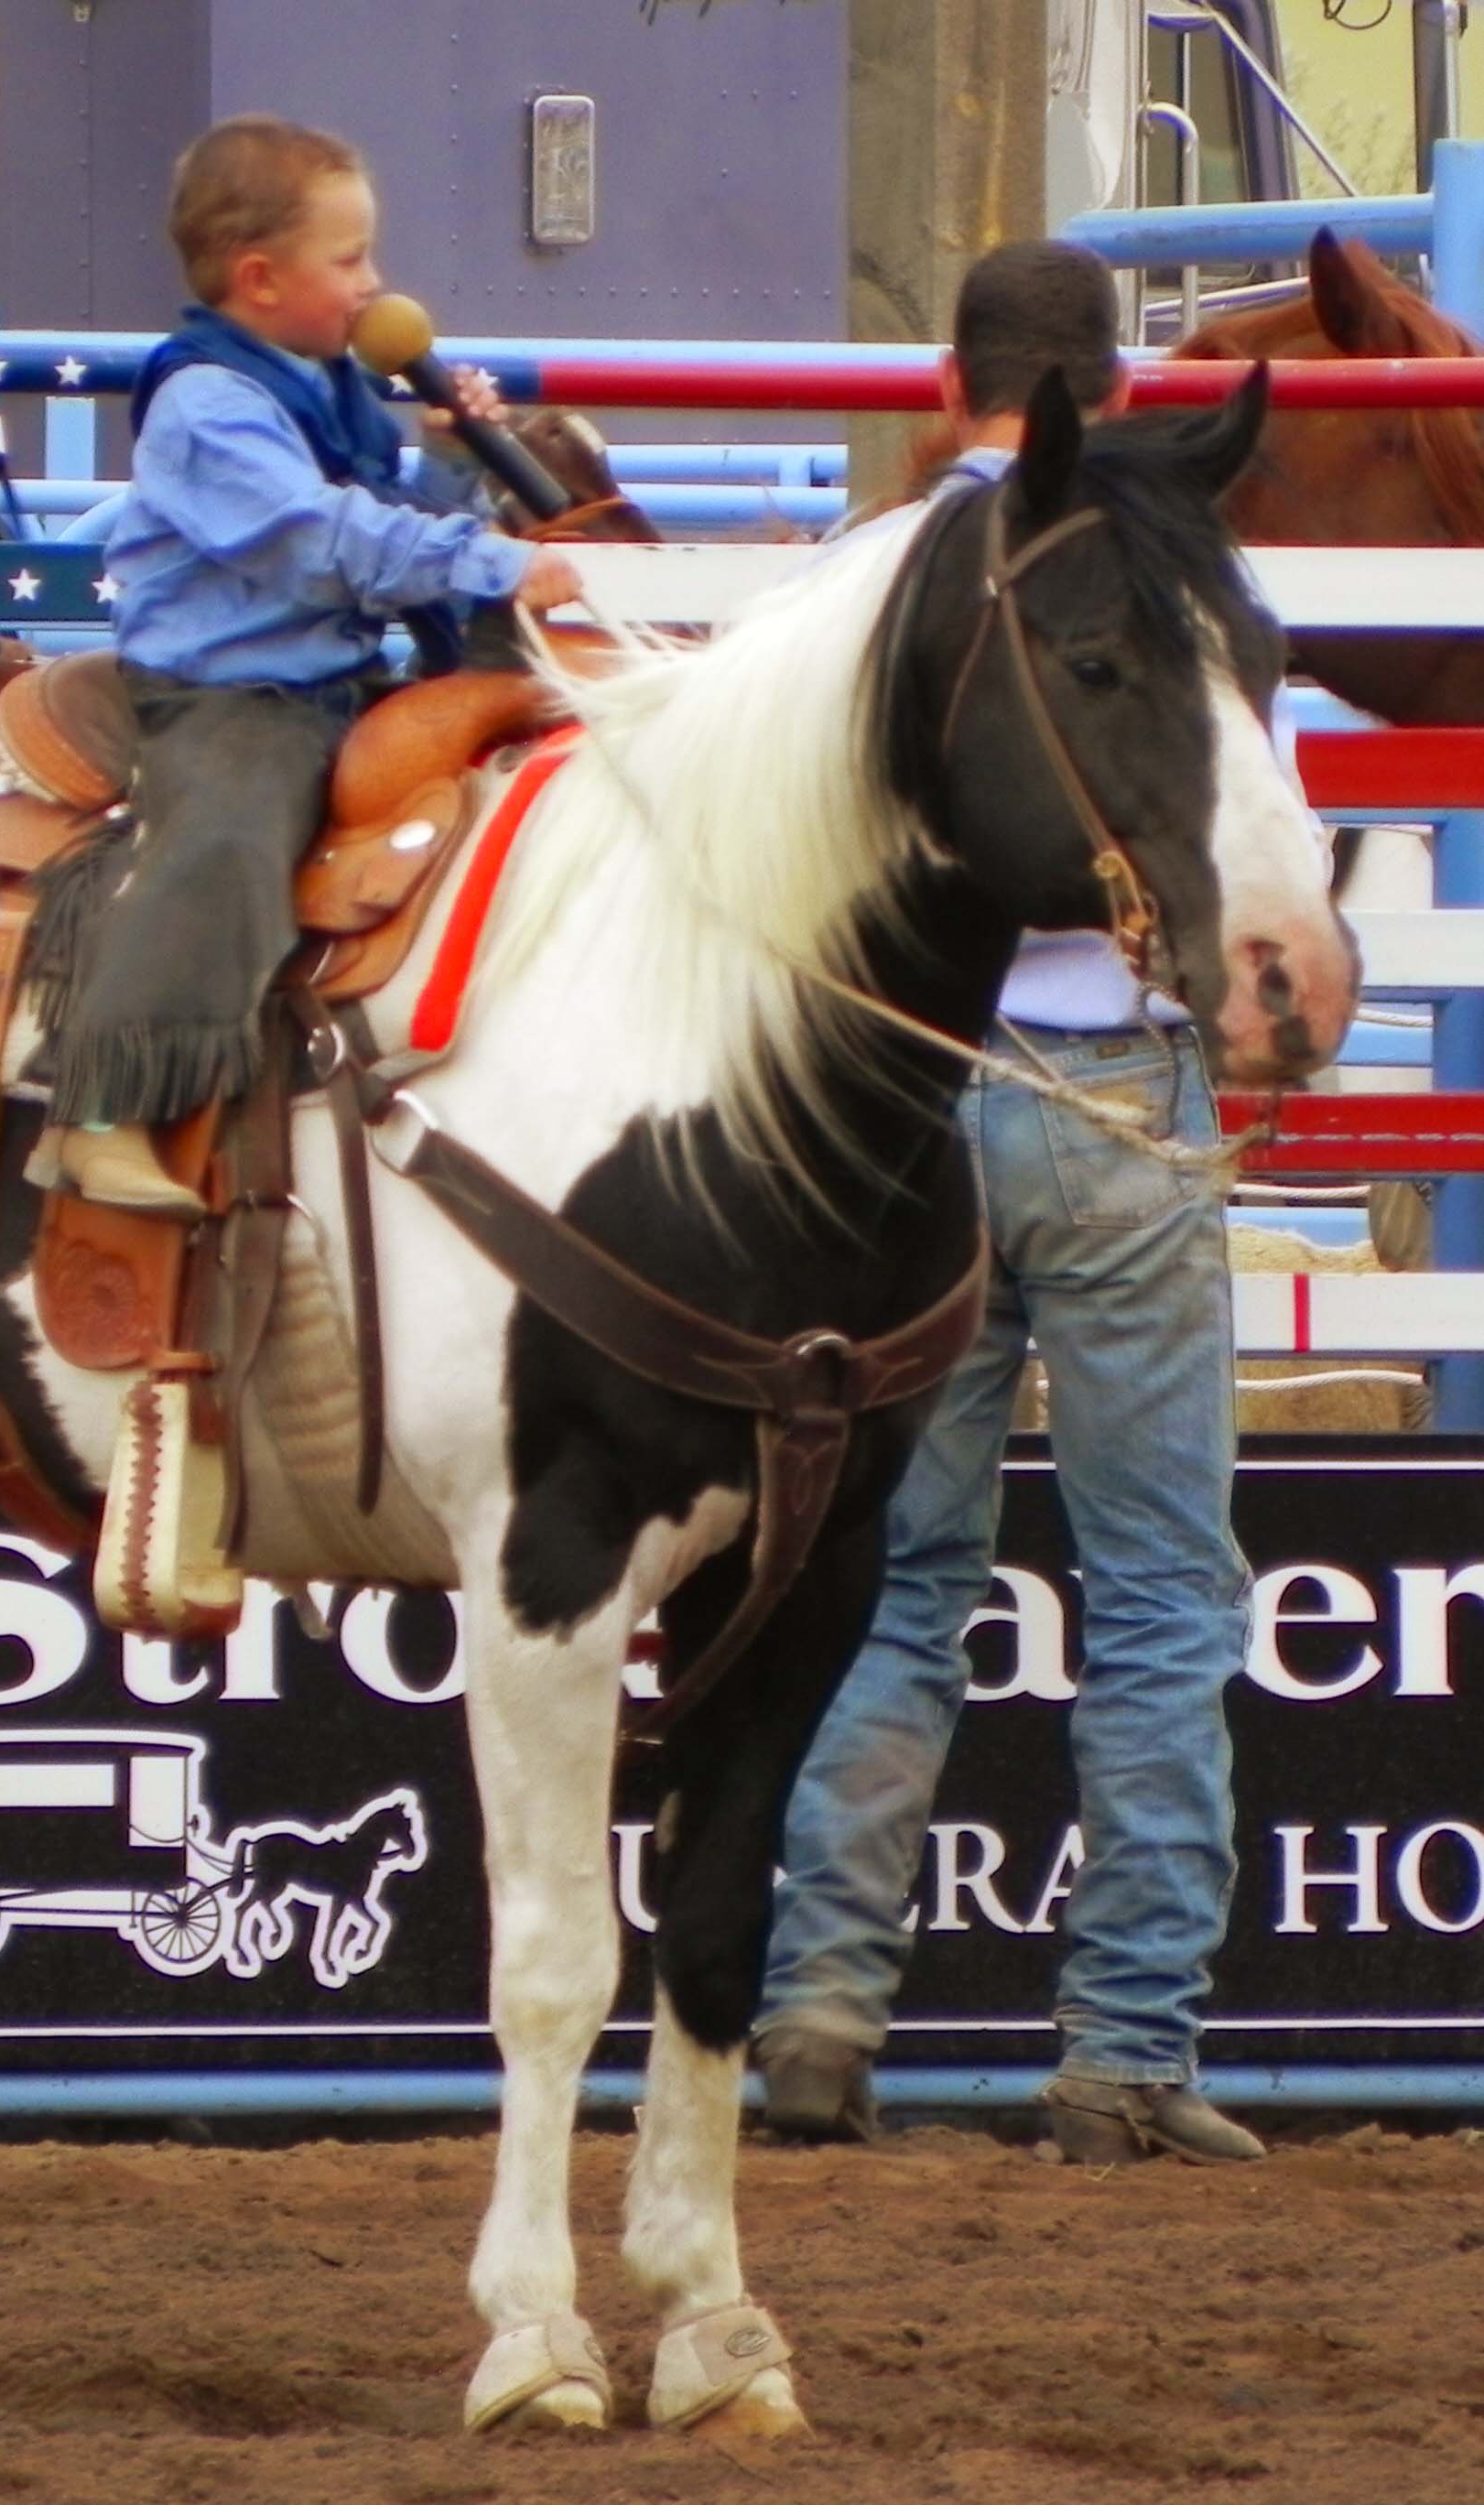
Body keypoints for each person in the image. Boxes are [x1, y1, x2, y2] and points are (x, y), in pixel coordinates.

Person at [751, 238, 1284, 2169]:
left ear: (950, 380)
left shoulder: (862, 579)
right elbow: (1234, 850)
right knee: (1157, 1596)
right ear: (1112, 385)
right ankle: (1124, 2052)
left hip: (909, 1106)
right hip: (1122, 1098)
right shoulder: (1161, 578)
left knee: (895, 1583)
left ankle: (821, 2012)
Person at [37, 114, 580, 1216]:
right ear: (259, 279)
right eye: (351, 261)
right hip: (228, 697)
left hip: (332, 681)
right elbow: (315, 539)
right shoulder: (205, 405)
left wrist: (452, 461)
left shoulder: (330, 384)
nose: (375, 285)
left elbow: (382, 518)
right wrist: (493, 560)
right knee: (232, 836)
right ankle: (104, 1109)